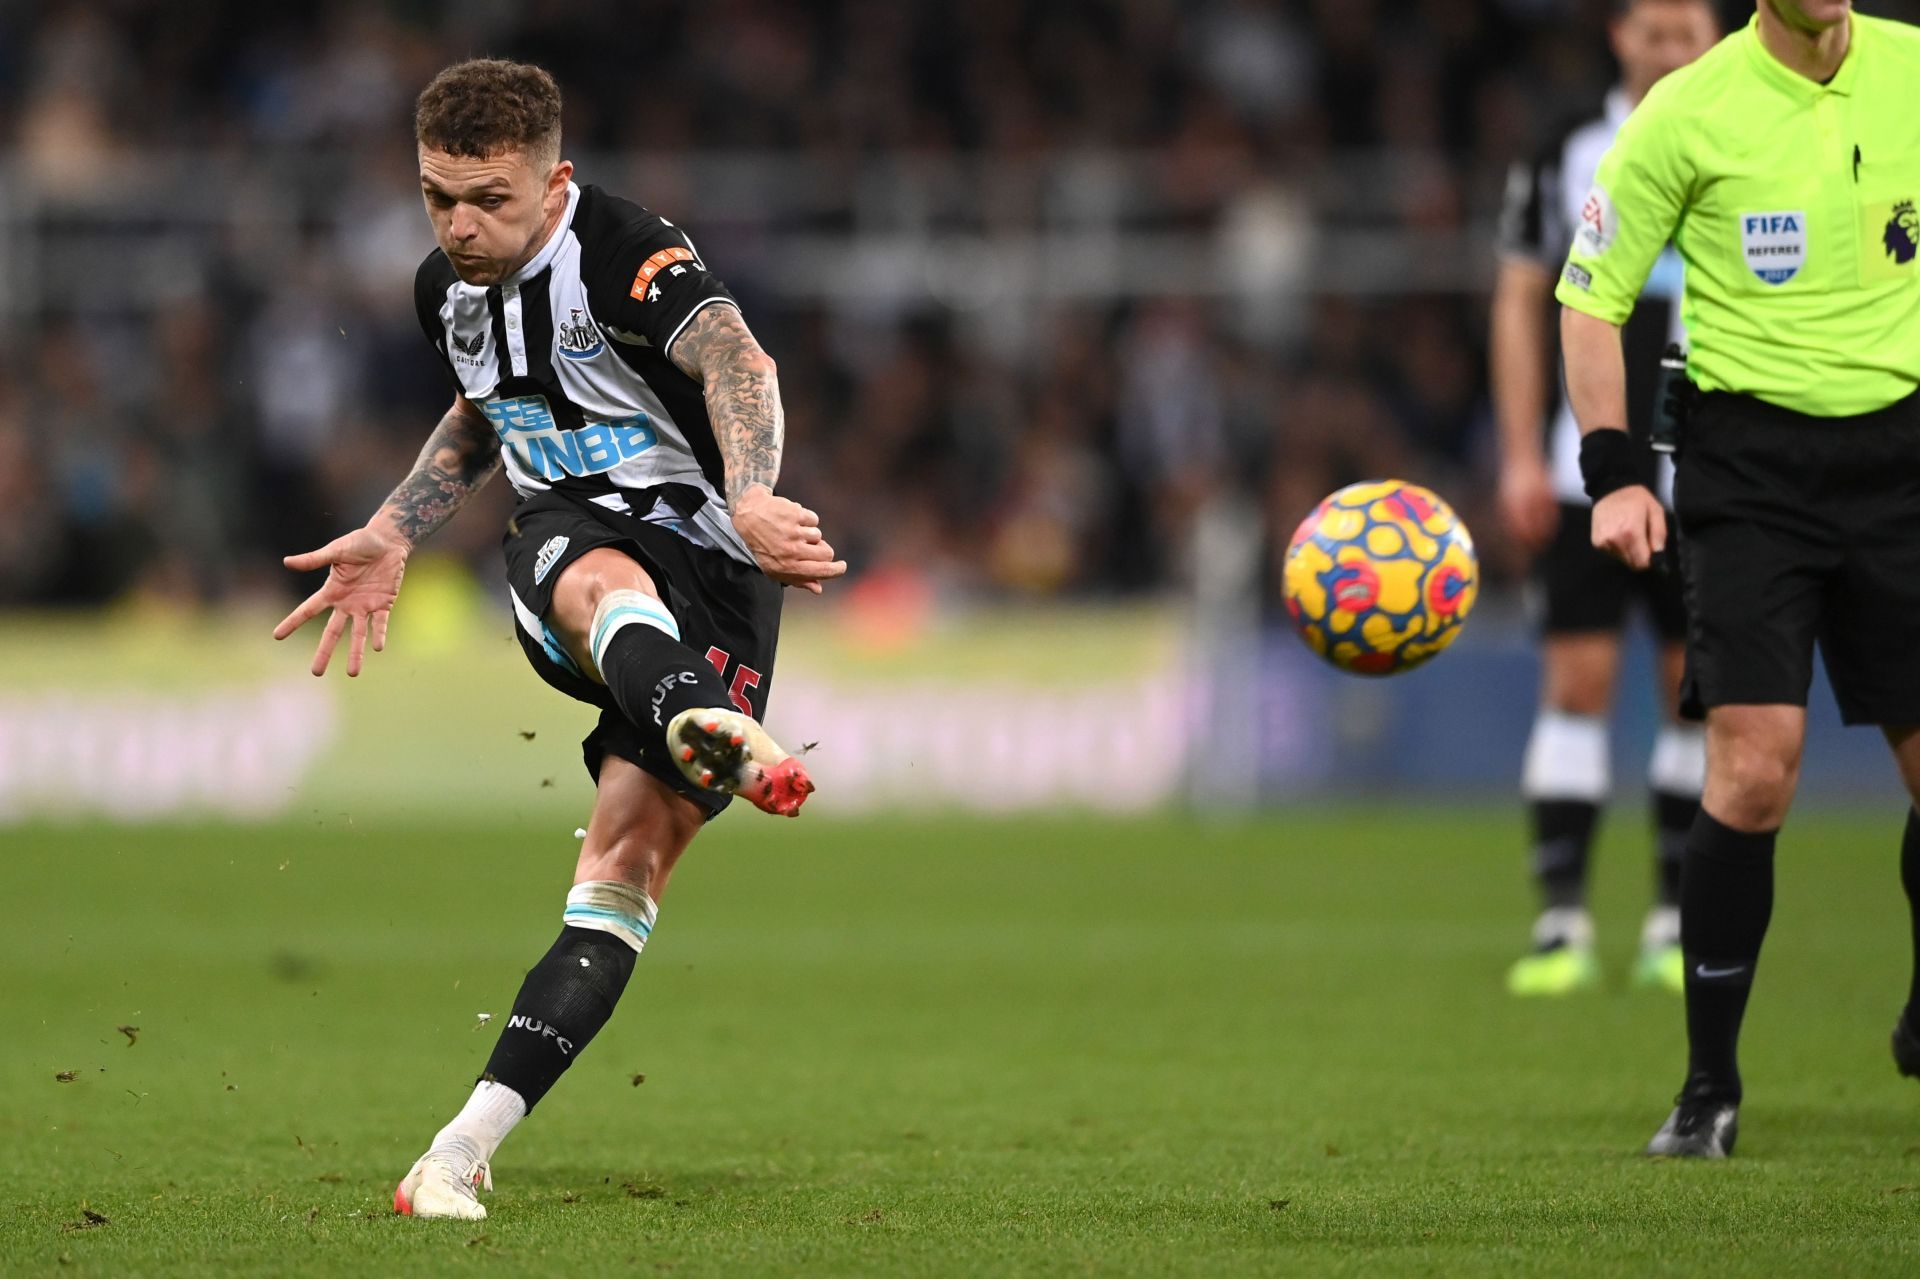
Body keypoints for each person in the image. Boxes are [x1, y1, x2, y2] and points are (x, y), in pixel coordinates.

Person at [274, 59, 846, 1216]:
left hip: (719, 571)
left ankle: (455, 1153)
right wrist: (392, 530)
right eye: (439, 197)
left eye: (489, 198)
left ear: (555, 181)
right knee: (596, 579)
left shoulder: (624, 250)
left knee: (623, 874)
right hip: (569, 547)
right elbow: (493, 412)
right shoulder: (442, 291)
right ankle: (699, 716)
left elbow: (738, 360)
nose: (460, 226)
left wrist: (747, 492)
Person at [1557, 0, 1920, 1157]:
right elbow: (1590, 290)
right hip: (1751, 473)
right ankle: (1709, 1087)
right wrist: (1613, 471)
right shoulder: (1689, 110)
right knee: (1756, 769)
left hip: (1904, 469)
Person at [1491, 0, 1718, 999]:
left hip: (1711, 469)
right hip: (1589, 465)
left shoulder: (1749, 134)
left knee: (1693, 692)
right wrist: (1518, 454)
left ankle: (1673, 921)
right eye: (1654, 30)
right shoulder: (1564, 150)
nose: (1671, 48)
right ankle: (1561, 924)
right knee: (1577, 682)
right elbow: (1519, 299)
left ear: (1714, 39)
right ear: (1620, 37)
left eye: (1688, 31)